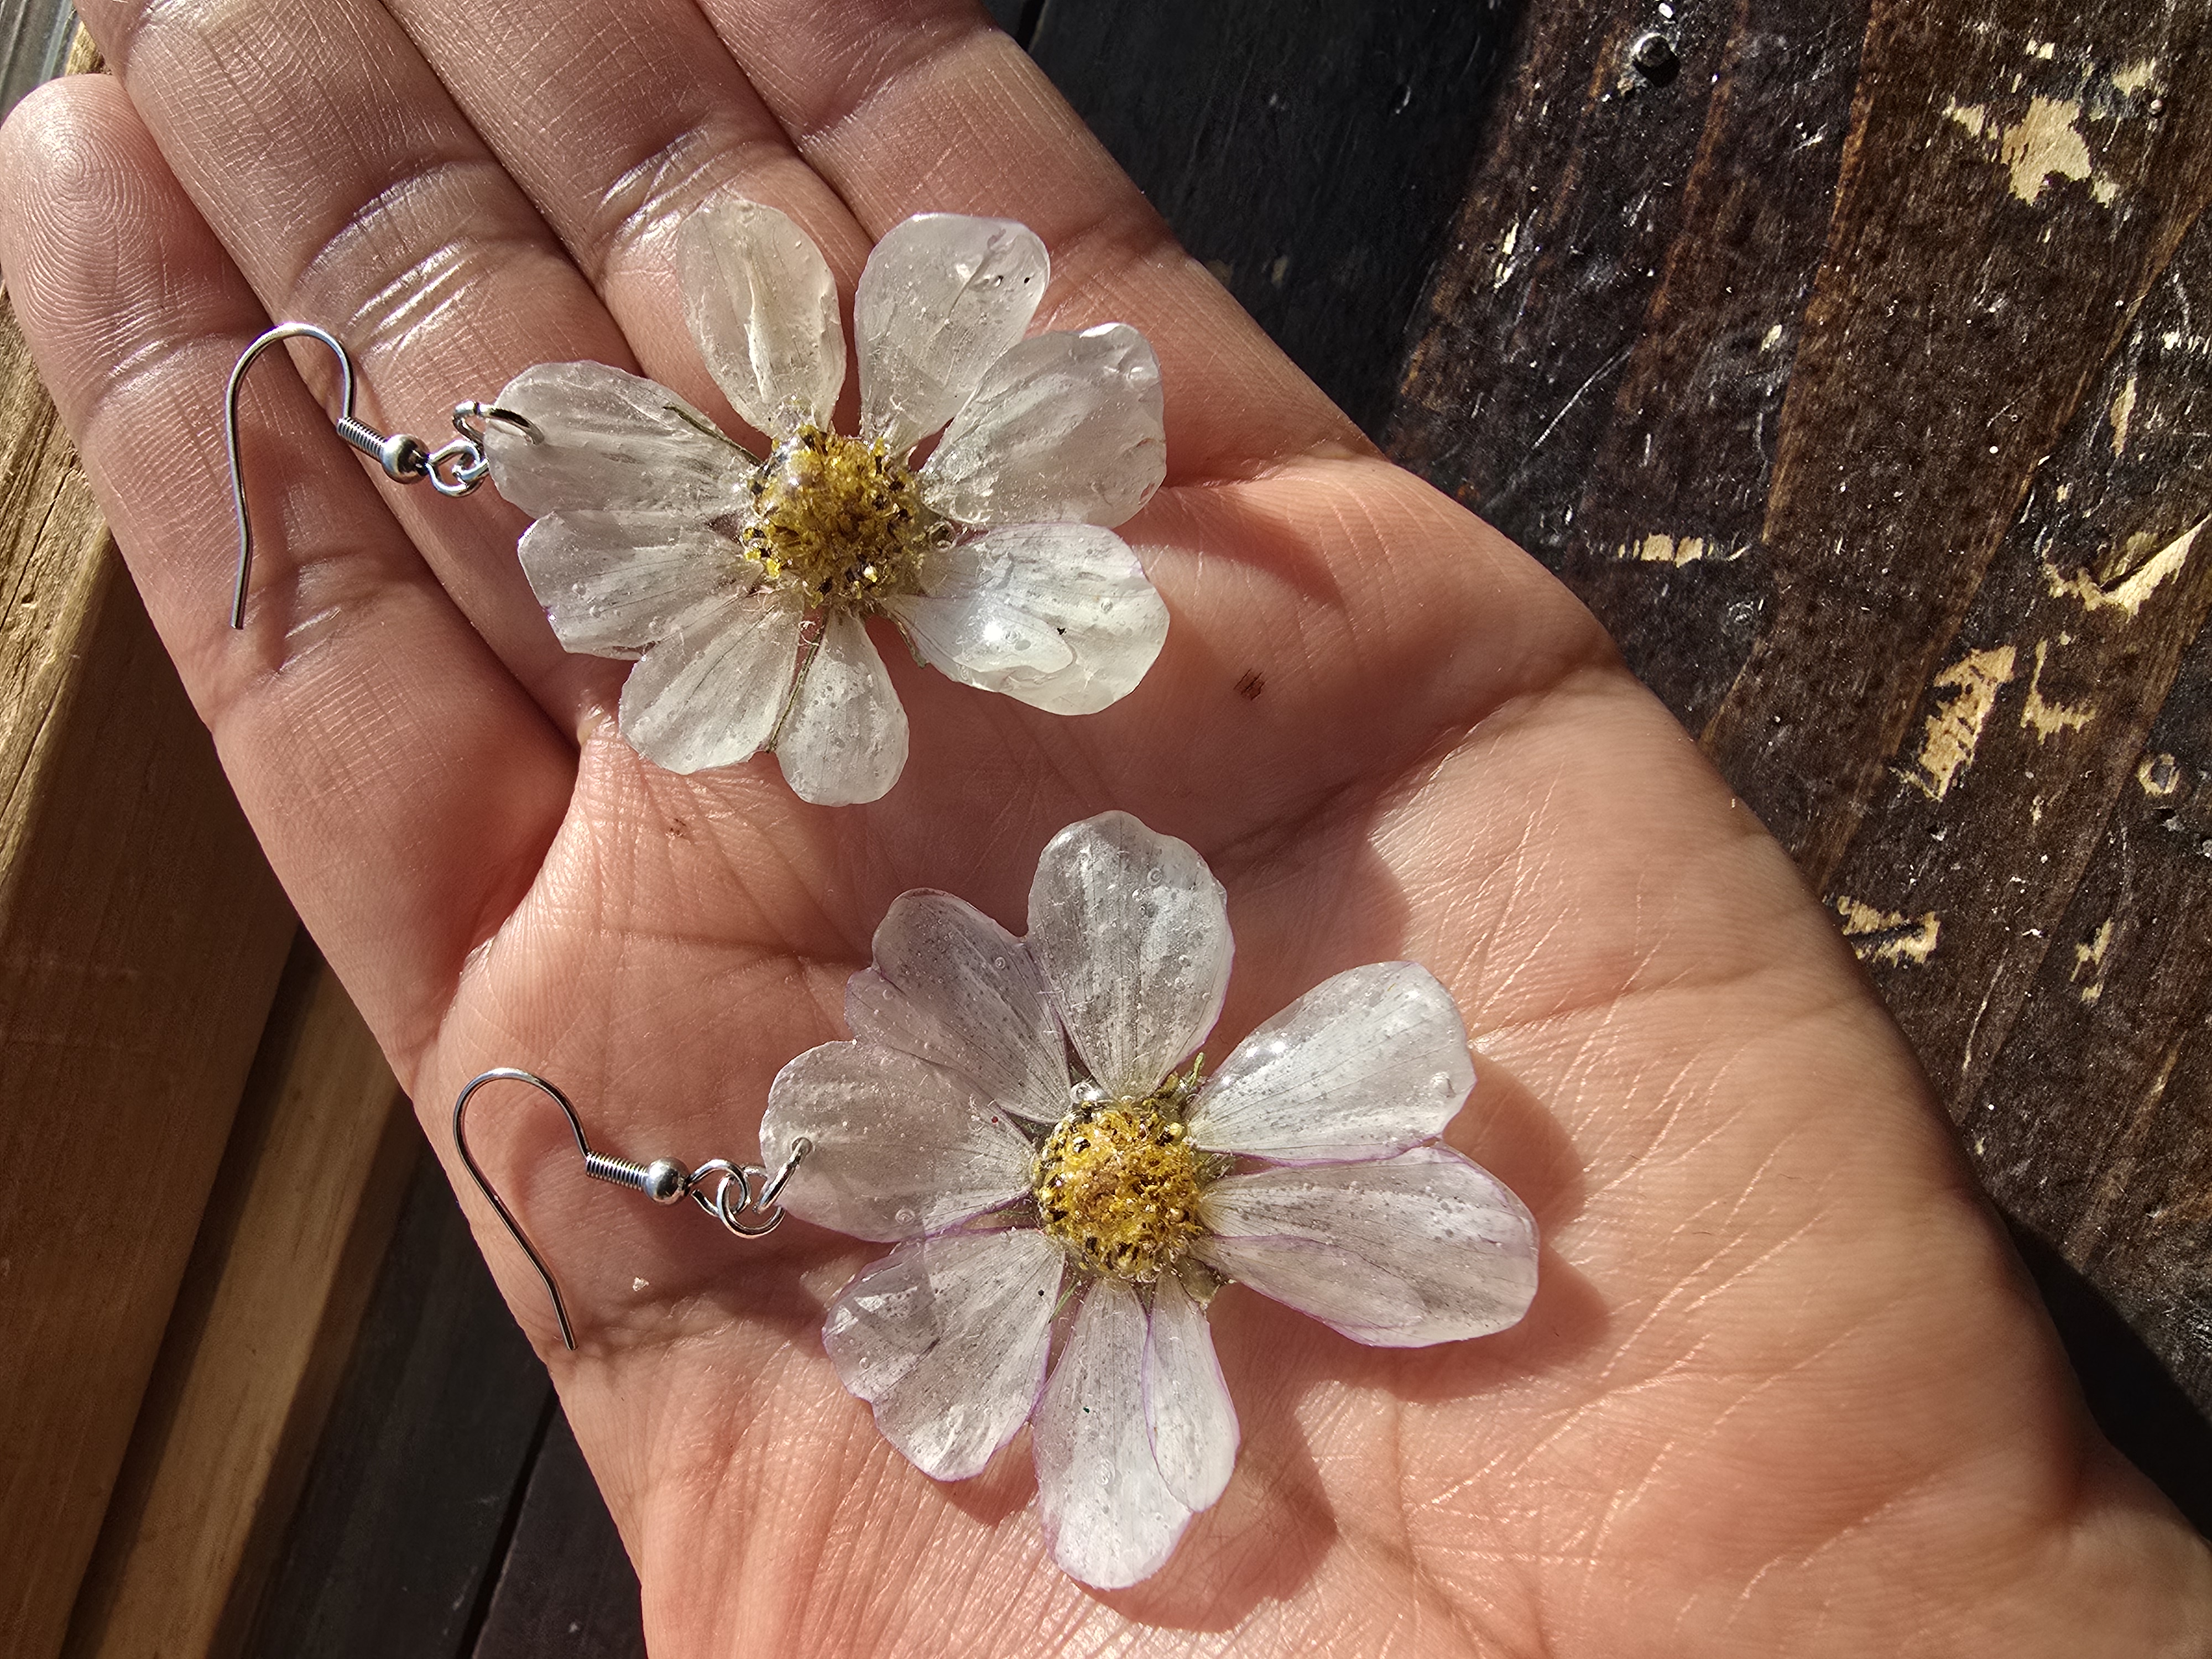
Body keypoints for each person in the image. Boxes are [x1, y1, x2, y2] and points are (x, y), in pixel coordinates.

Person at [2, 0, 2204, 1650]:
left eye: (1119, 1178)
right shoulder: (785, 643)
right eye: (1118, 1175)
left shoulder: (1094, 1019)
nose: (1123, 1177)